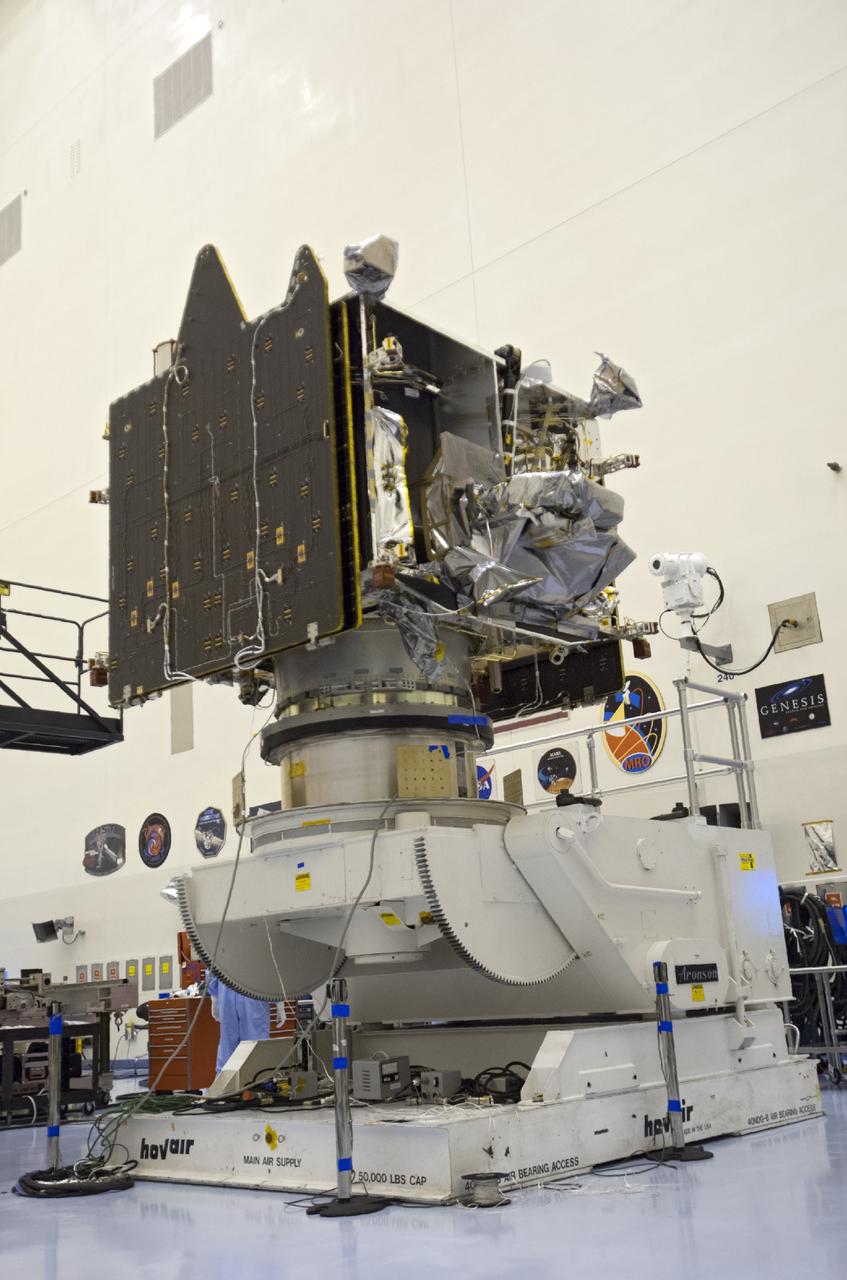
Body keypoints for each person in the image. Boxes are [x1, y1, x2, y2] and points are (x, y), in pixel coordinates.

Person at [206, 973, 270, 1073]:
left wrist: (215, 996)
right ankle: (226, 1085)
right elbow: (213, 964)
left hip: (245, 994)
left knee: (252, 1046)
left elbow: (270, 966)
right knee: (233, 1047)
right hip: (241, 994)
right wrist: (214, 996)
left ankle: (252, 1083)